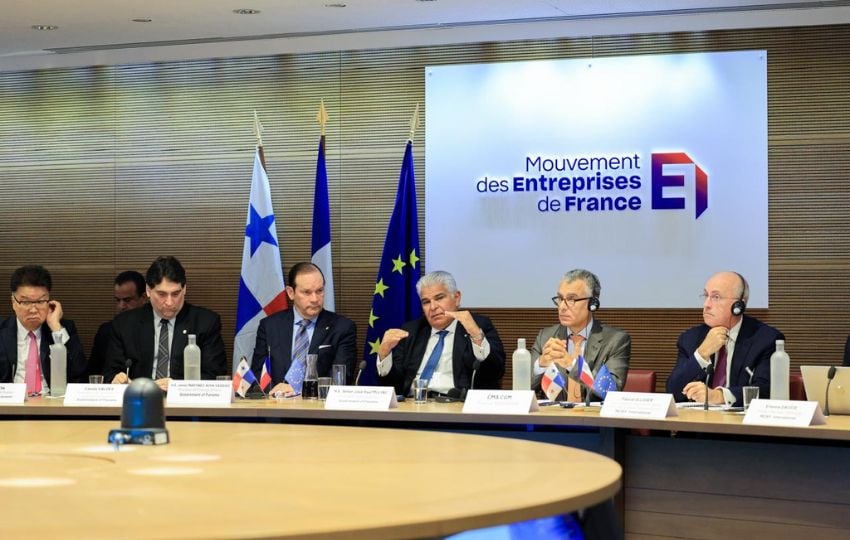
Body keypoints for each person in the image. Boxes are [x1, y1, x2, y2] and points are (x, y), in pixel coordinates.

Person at [104, 256, 227, 390]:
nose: (169, 302)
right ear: (148, 291)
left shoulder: (205, 322)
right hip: (140, 402)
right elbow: (110, 374)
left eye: (175, 294)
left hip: (186, 406)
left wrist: (178, 386)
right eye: (162, 294)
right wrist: (116, 381)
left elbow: (215, 376)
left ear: (184, 289)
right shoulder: (124, 324)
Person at [376, 270, 505, 397]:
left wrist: (476, 336)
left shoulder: (478, 326)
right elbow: (392, 386)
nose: (433, 307)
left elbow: (495, 373)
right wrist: (384, 354)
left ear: (457, 297)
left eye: (439, 298)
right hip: (414, 406)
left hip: (457, 408)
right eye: (426, 302)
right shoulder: (412, 331)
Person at [667, 271, 784, 407]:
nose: (706, 304)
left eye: (716, 297)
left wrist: (719, 396)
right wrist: (701, 354)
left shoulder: (766, 339)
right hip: (697, 425)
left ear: (739, 305)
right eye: (706, 295)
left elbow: (767, 391)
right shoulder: (690, 339)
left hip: (741, 426)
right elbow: (673, 391)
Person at [251, 262, 357, 397]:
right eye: (306, 292)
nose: (315, 299)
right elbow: (258, 375)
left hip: (321, 412)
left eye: (319, 291)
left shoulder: (342, 327)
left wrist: (297, 388)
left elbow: (342, 379)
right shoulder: (269, 326)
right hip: (276, 410)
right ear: (291, 292)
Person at [531, 269, 630, 401]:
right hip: (553, 418)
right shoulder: (545, 337)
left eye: (571, 299)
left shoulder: (615, 340)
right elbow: (522, 391)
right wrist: (541, 364)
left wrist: (572, 365)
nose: (562, 307)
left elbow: (610, 391)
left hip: (595, 420)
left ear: (592, 304)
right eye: (560, 298)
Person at [0, 265, 86, 390]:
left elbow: (80, 372)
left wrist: (56, 328)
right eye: (25, 302)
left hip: (51, 404)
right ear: (13, 302)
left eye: (40, 302)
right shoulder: (2, 330)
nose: (33, 310)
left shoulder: (63, 328)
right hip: (9, 404)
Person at [88, 271, 147, 377]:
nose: (121, 306)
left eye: (127, 300)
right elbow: (94, 374)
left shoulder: (156, 328)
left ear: (143, 298)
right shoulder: (106, 331)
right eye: (117, 300)